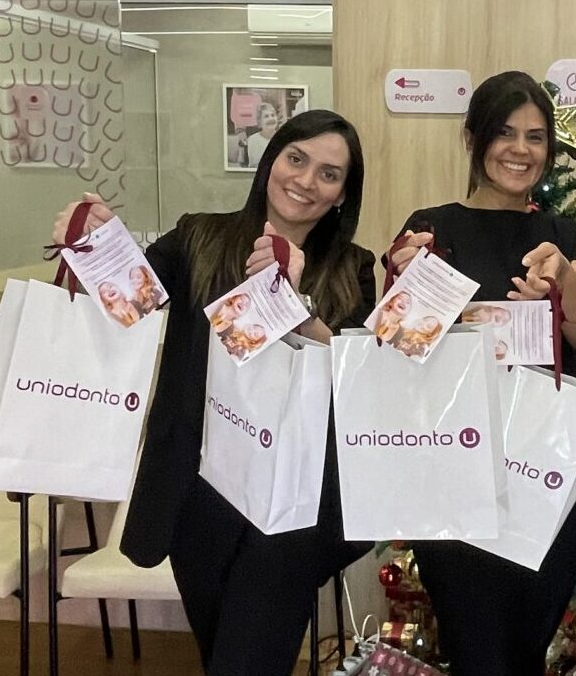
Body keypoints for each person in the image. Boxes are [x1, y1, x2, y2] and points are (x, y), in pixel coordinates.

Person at [50, 109, 375, 675]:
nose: (305, 180)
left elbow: (356, 374)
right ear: (270, 160)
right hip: (199, 488)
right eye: (296, 159)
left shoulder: (353, 267)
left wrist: (294, 303)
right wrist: (93, 245)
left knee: (246, 661)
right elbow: (130, 301)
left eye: (329, 174)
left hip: (296, 499)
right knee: (224, 650)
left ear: (343, 194)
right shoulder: (197, 237)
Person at [384, 70, 576, 675]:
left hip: (546, 468)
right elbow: (398, 348)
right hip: (455, 466)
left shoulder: (560, 234)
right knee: (475, 647)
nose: (520, 150)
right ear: (473, 139)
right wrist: (406, 283)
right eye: (505, 133)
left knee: (527, 647)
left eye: (536, 137)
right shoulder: (433, 229)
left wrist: (562, 282)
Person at [244, 98, 284, 169]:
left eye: (273, 115)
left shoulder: (283, 138)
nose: (271, 118)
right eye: (266, 116)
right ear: (259, 122)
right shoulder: (253, 140)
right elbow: (254, 166)